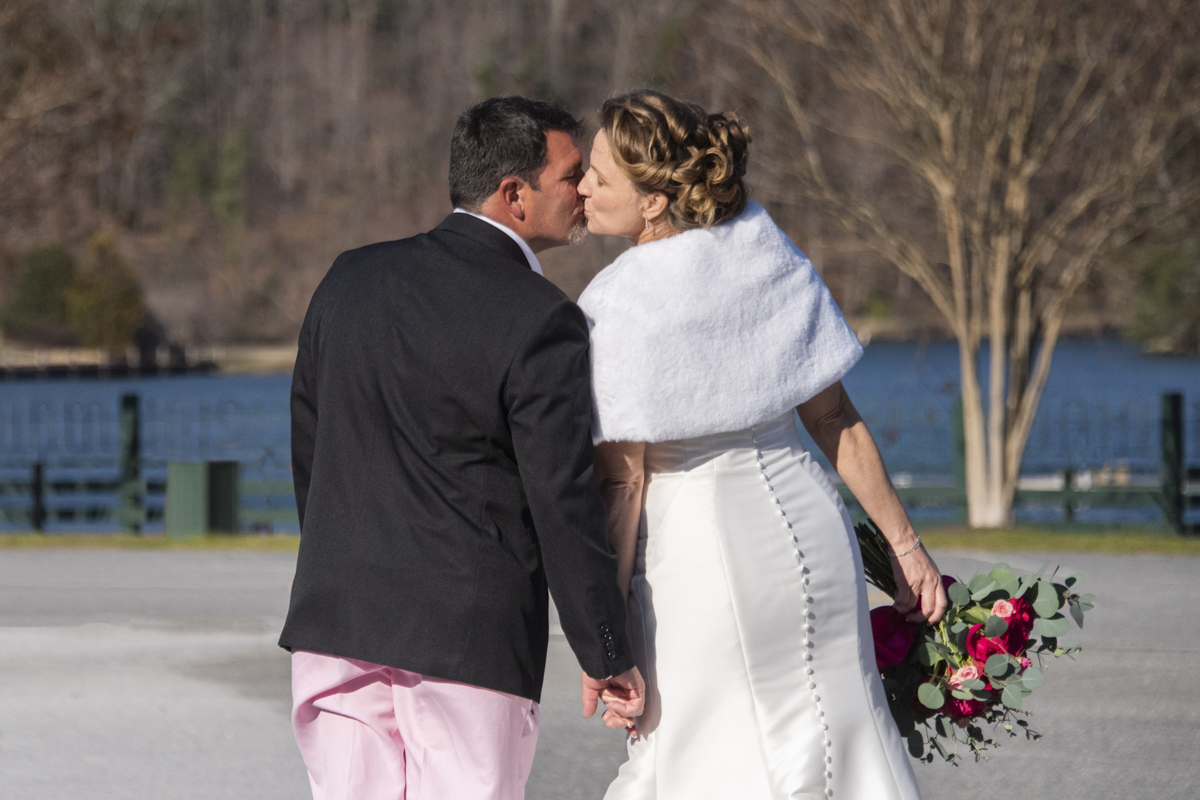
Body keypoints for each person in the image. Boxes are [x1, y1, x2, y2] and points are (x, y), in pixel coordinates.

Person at [576, 90, 946, 800]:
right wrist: (906, 550)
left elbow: (622, 484)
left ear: (653, 201)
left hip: (701, 558)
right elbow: (834, 416)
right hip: (812, 533)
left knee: (697, 750)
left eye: (599, 175)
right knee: (839, 731)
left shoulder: (614, 303)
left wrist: (610, 629)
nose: (582, 187)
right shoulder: (764, 249)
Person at [279, 96, 644, 800]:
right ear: (515, 195)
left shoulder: (347, 279)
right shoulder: (542, 319)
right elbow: (561, 499)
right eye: (571, 176)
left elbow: (312, 454)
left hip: (335, 624)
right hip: (467, 644)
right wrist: (605, 648)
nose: (585, 191)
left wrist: (341, 567)